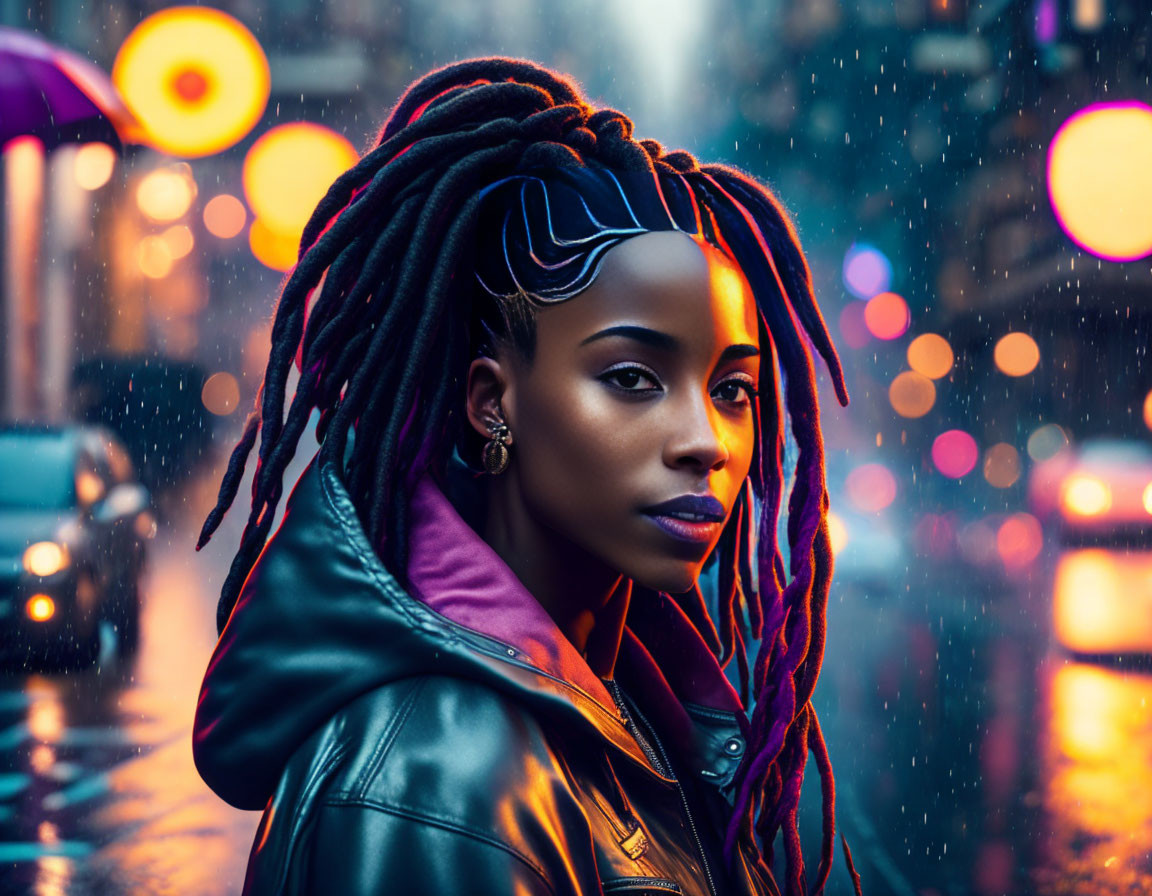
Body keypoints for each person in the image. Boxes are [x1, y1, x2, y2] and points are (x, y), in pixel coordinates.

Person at [192, 57, 861, 896]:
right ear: (490, 401)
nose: (706, 442)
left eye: (733, 389)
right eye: (631, 378)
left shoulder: (623, 695)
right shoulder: (443, 778)